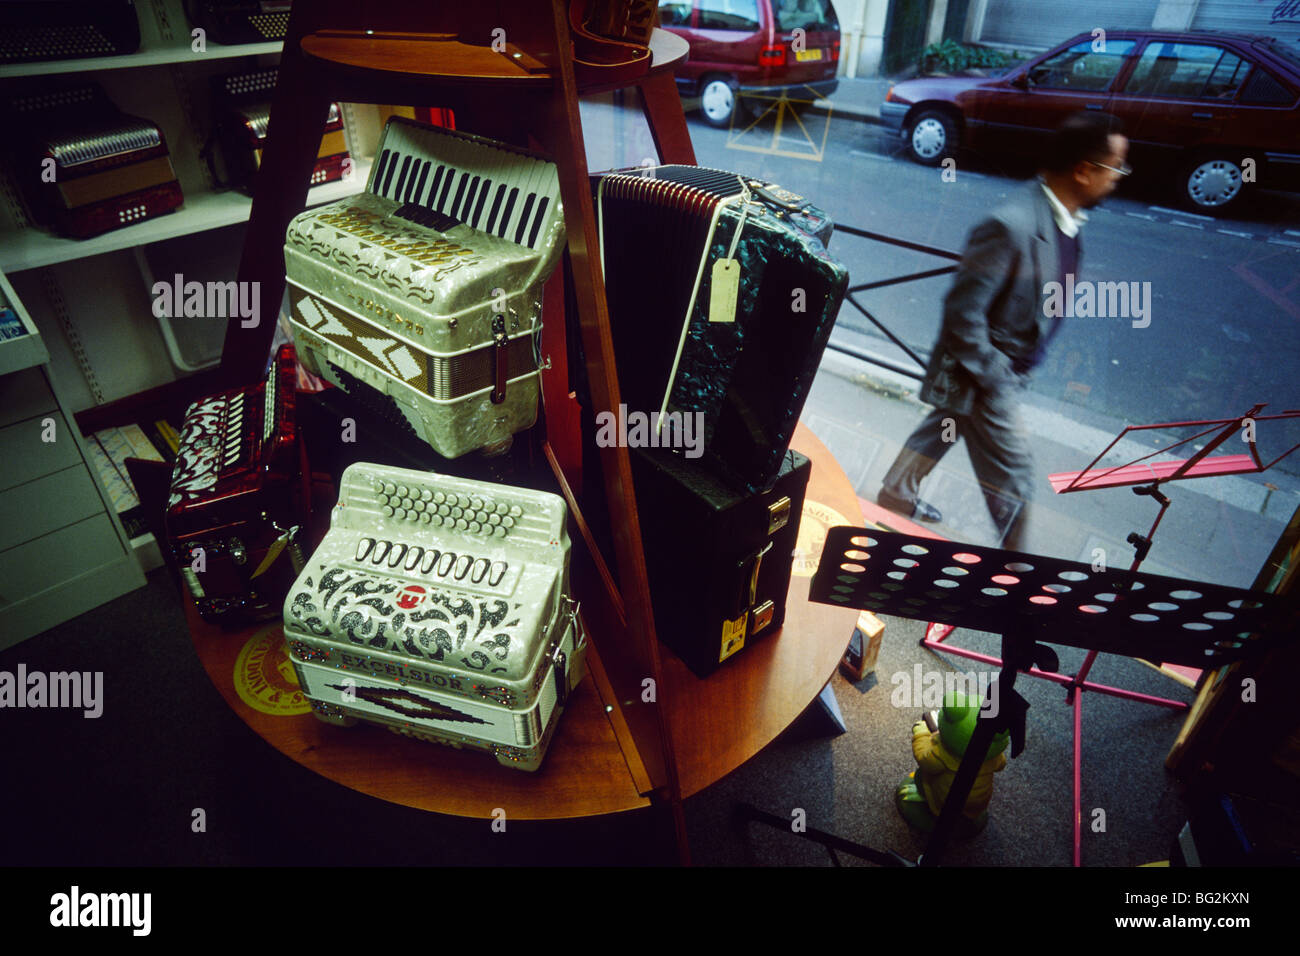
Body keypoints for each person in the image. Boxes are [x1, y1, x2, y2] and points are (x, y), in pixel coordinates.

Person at [877, 112, 1130, 551]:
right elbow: (963, 312)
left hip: (998, 371)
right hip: (990, 375)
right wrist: (997, 380)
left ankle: (894, 496)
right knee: (1013, 477)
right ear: (1084, 170)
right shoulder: (1010, 225)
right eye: (1115, 168)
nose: (1118, 179)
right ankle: (1019, 576)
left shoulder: (1063, 218)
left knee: (945, 423)